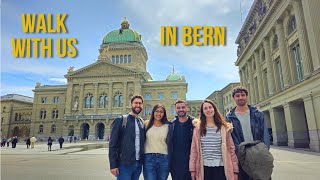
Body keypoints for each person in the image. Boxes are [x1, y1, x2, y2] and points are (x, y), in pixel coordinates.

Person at [226, 86, 270, 180]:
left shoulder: (257, 113)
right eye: (237, 96)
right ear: (234, 98)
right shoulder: (229, 117)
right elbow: (231, 138)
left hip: (258, 152)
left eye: (243, 95)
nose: (240, 97)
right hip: (241, 155)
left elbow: (264, 133)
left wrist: (264, 150)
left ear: (247, 96)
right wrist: (238, 152)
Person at [189, 99, 238, 180]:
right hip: (204, 168)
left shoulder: (224, 128)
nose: (208, 110)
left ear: (214, 109)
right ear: (202, 112)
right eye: (205, 108)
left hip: (221, 167)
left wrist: (235, 170)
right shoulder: (198, 129)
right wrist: (192, 169)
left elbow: (231, 149)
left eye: (210, 107)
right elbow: (194, 150)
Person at [109, 95, 145, 180]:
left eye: (140, 103)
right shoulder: (121, 120)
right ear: (131, 104)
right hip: (124, 165)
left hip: (138, 164)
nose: (138, 105)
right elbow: (113, 144)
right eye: (136, 103)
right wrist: (113, 165)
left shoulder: (141, 122)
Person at [168, 100, 194, 180]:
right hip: (176, 164)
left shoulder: (194, 124)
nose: (181, 109)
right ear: (175, 109)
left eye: (183, 107)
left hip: (191, 163)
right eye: (178, 108)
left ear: (187, 108)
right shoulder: (171, 125)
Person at [143, 104, 171, 180]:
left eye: (161, 112)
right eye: (157, 111)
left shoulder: (168, 126)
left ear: (164, 113)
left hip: (164, 159)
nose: (159, 114)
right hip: (148, 158)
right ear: (153, 112)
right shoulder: (146, 124)